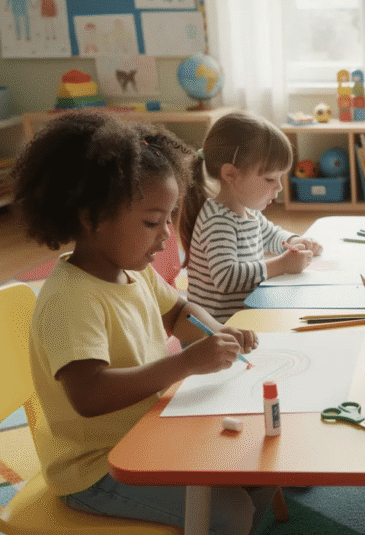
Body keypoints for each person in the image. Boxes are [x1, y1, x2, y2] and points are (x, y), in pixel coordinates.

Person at [14, 110, 276, 534]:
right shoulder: (70, 299)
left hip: (148, 431)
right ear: (90, 217)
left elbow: (177, 311)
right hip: (95, 469)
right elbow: (90, 394)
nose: (167, 235)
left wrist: (218, 332)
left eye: (170, 218)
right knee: (227, 512)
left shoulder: (133, 271)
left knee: (257, 465)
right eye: (153, 222)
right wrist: (188, 363)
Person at [180, 111, 322, 323]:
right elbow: (227, 277)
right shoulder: (217, 220)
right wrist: (282, 265)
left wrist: (293, 241)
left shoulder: (249, 212)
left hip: (242, 319)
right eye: (270, 179)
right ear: (230, 174)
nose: (279, 187)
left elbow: (271, 234)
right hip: (215, 332)